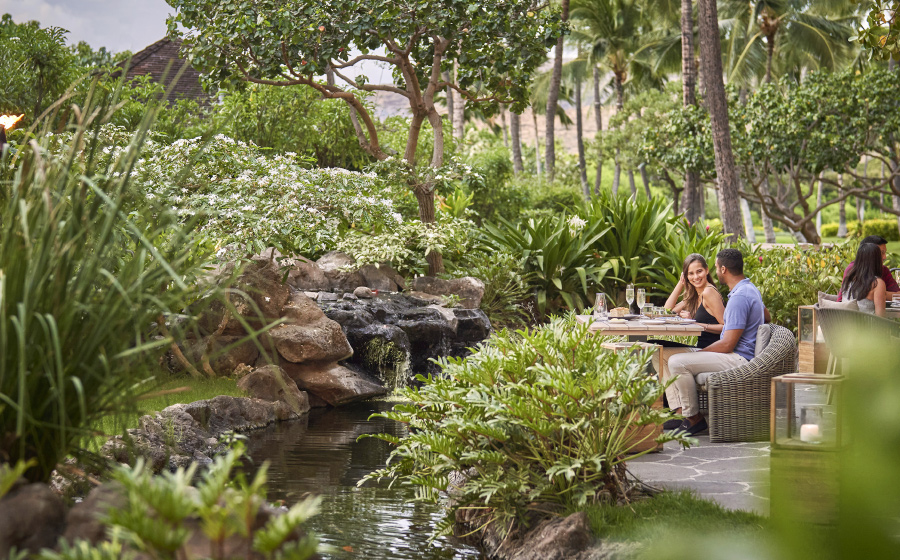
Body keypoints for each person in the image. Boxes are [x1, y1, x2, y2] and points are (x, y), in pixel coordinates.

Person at [660, 248, 765, 435]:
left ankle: (693, 418)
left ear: (722, 269)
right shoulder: (747, 290)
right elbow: (767, 315)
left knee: (677, 361)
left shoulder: (739, 296)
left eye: (715, 267)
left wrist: (699, 352)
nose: (716, 271)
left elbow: (727, 344)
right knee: (663, 354)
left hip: (739, 356)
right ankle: (680, 411)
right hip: (736, 352)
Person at [837, 235, 899, 301]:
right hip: (852, 310)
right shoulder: (853, 269)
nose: (885, 257)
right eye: (881, 253)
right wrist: (880, 293)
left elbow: (898, 295)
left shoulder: (884, 270)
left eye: (885, 253)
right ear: (870, 253)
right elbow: (843, 299)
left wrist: (879, 293)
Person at [840, 243, 887, 317]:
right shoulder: (877, 284)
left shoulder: (849, 278)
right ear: (876, 260)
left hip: (845, 325)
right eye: (881, 255)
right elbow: (881, 318)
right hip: (867, 327)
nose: (885, 257)